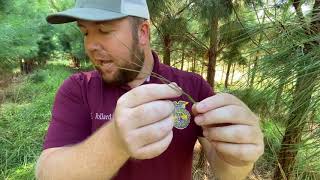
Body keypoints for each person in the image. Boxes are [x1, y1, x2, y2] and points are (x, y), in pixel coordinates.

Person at [36, 0, 264, 179]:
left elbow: (227, 172)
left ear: (143, 32)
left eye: (104, 30)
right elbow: (48, 173)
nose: (91, 45)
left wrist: (241, 157)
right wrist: (115, 141)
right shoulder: (78, 89)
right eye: (85, 32)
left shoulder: (191, 86)